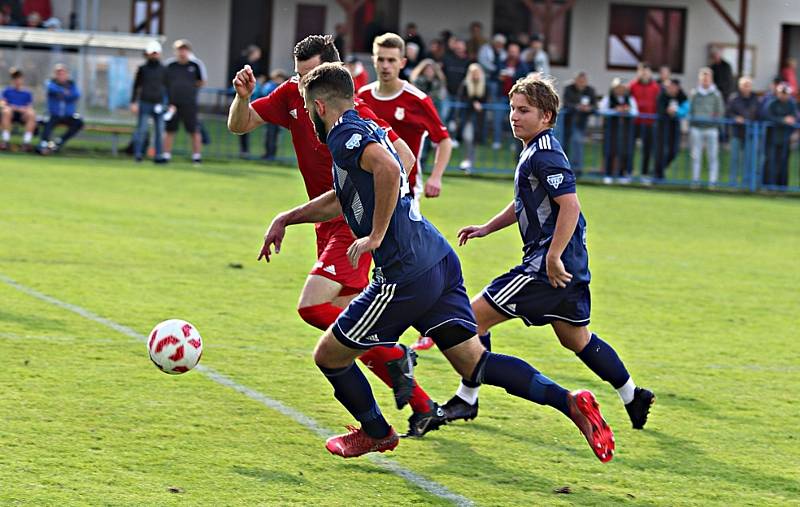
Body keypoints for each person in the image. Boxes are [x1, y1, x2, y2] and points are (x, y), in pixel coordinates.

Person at [260, 62, 616, 462]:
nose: (308, 117)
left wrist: (376, 235)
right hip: (437, 258)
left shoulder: (342, 134)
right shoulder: (362, 123)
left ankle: (376, 432)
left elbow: (391, 167)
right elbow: (356, 189)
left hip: (404, 274)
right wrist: (286, 218)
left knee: (328, 356)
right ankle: (569, 402)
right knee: (475, 362)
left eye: (308, 109)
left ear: (320, 106)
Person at [228, 35, 447, 437]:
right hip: (323, 220)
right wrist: (242, 97)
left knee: (314, 309)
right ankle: (422, 406)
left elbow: (404, 158)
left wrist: (374, 201)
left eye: (309, 77)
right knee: (348, 329)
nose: (303, 87)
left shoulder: (352, 113)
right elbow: (240, 125)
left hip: (351, 220)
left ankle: (395, 357)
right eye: (298, 77)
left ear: (332, 73)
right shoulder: (292, 94)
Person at [443, 73, 653, 432]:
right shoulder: (534, 151)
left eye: (524, 110)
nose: (514, 116)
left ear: (546, 117)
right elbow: (523, 202)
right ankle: (633, 394)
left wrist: (553, 256)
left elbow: (570, 206)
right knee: (576, 338)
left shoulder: (545, 154)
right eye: (512, 108)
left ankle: (467, 397)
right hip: (567, 265)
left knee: (469, 322)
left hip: (545, 267)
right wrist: (486, 228)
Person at [358, 33, 453, 211]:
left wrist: (436, 176)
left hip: (405, 191)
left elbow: (444, 140)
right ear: (374, 60)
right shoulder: (362, 96)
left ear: (402, 62)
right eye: (381, 59)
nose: (386, 66)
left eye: (392, 60)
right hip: (366, 188)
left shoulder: (417, 99)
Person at [164, 39, 205, 164]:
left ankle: (196, 156)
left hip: (189, 104)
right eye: (180, 49)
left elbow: (201, 81)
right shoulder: (170, 65)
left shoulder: (195, 65)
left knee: (194, 130)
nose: (182, 52)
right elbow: (164, 82)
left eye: (185, 49)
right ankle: (166, 155)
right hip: (173, 104)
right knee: (169, 130)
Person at [130, 40, 167, 163]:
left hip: (159, 103)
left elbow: (168, 86)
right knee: (142, 130)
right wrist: (134, 102)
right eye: (152, 53)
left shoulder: (163, 69)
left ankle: (158, 155)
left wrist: (169, 103)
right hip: (145, 102)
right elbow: (136, 86)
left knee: (159, 131)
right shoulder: (142, 69)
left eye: (156, 53)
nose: (154, 55)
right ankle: (138, 154)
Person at [689, 67, 724, 185]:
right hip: (697, 128)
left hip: (711, 128)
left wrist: (714, 122)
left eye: (707, 77)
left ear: (711, 79)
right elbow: (691, 110)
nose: (705, 80)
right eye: (703, 77)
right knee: (696, 156)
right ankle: (695, 181)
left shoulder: (716, 94)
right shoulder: (694, 93)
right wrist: (693, 122)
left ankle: (712, 182)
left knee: (713, 156)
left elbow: (720, 111)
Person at [38, 64, 83, 155]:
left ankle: (59, 142)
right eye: (59, 74)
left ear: (67, 75)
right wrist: (63, 92)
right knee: (47, 122)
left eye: (63, 74)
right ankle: (44, 145)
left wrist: (63, 94)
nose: (61, 76)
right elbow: (51, 88)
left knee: (79, 122)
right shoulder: (51, 82)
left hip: (68, 115)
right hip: (54, 114)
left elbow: (76, 95)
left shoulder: (71, 84)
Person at [599, 78, 638, 183]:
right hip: (612, 129)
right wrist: (615, 111)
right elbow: (602, 110)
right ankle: (608, 174)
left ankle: (623, 174)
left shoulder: (630, 99)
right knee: (610, 150)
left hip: (625, 129)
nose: (620, 90)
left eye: (622, 88)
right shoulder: (608, 98)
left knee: (625, 151)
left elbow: (635, 112)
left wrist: (628, 111)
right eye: (618, 88)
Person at [725, 76, 759, 185]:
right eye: (744, 85)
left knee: (748, 159)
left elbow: (758, 113)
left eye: (748, 85)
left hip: (750, 133)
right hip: (736, 133)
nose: (746, 87)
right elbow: (728, 113)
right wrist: (735, 118)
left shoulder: (755, 99)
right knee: (734, 159)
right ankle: (732, 182)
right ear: (740, 86)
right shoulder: (734, 98)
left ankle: (746, 182)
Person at [629, 63, 661, 179]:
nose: (644, 74)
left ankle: (645, 173)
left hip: (650, 122)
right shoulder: (632, 86)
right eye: (642, 71)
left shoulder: (656, 87)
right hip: (635, 122)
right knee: (630, 148)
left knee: (647, 149)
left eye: (646, 71)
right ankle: (629, 171)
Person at [560, 71, 596, 173]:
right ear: (575, 80)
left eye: (583, 81)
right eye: (579, 80)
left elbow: (595, 106)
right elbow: (565, 103)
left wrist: (589, 108)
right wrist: (577, 107)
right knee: (564, 145)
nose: (581, 83)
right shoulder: (568, 88)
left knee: (577, 141)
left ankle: (576, 169)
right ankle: (563, 168)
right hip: (567, 122)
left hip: (580, 123)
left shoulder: (590, 90)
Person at [762, 83, 797, 187]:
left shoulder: (791, 104)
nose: (784, 95)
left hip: (785, 139)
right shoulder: (771, 103)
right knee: (770, 161)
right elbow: (767, 116)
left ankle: (781, 186)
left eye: (786, 93)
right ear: (778, 93)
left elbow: (795, 117)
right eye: (782, 93)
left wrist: (794, 130)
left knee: (783, 163)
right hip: (771, 138)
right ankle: (767, 185)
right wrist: (783, 120)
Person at [478, 34, 508, 150]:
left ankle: (496, 140)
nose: (499, 46)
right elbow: (484, 63)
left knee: (497, 113)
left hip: (499, 86)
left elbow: (504, 66)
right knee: (483, 112)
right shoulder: (485, 50)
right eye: (498, 43)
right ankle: (482, 138)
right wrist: (497, 71)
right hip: (485, 82)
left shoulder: (503, 53)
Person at [456, 63, 487, 172]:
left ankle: (469, 163)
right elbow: (462, 98)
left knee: (474, 140)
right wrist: (473, 103)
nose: (475, 75)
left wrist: (477, 103)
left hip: (478, 118)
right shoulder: (465, 84)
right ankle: (466, 160)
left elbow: (486, 100)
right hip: (467, 116)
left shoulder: (484, 85)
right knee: (467, 137)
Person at [654, 78, 688, 180]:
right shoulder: (662, 96)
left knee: (674, 150)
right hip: (662, 125)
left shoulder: (681, 96)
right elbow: (659, 109)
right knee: (660, 151)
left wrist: (678, 112)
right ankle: (658, 174)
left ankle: (660, 169)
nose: (673, 89)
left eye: (675, 87)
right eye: (671, 87)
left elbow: (685, 107)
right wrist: (666, 111)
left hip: (674, 126)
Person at [0, 68, 36, 151]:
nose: (17, 80)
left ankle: (26, 143)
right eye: (15, 78)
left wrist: (25, 110)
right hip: (10, 114)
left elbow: (29, 106)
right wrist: (14, 108)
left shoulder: (27, 93)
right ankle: (6, 141)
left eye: (19, 78)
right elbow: (3, 104)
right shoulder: (6, 91)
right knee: (6, 111)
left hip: (23, 115)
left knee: (31, 114)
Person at [259, 68, 288, 161]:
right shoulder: (270, 86)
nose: (280, 80)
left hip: (279, 116)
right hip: (270, 115)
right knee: (269, 135)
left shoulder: (284, 86)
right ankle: (268, 154)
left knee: (275, 136)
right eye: (278, 78)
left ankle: (271, 154)